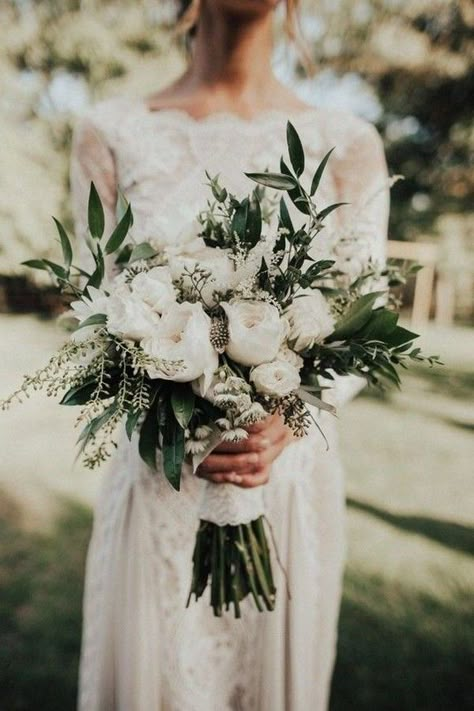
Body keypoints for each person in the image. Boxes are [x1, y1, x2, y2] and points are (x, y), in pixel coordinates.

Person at [70, 1, 389, 709]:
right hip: (159, 480)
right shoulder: (111, 132)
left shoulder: (349, 142)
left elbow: (366, 324)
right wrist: (166, 405)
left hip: (285, 479)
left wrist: (293, 412)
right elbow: (95, 310)